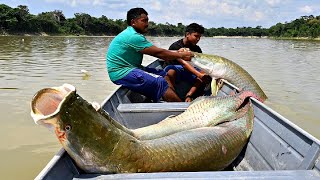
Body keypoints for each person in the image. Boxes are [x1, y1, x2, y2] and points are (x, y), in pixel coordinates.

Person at [106, 7, 193, 102]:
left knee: (165, 75)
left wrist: (178, 52)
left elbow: (159, 51)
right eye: (144, 21)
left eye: (147, 20)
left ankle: (170, 100)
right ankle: (182, 109)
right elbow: (159, 53)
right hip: (121, 73)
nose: (147, 24)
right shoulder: (133, 37)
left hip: (133, 68)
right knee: (160, 82)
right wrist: (181, 55)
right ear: (133, 22)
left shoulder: (132, 34)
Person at [164, 23, 211, 102]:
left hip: (189, 72)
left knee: (204, 72)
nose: (198, 39)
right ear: (187, 34)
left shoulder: (197, 49)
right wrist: (198, 74)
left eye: (199, 37)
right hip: (178, 72)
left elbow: (201, 64)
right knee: (170, 72)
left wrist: (202, 74)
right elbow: (184, 64)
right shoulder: (176, 46)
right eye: (196, 36)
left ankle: (189, 95)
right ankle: (173, 97)